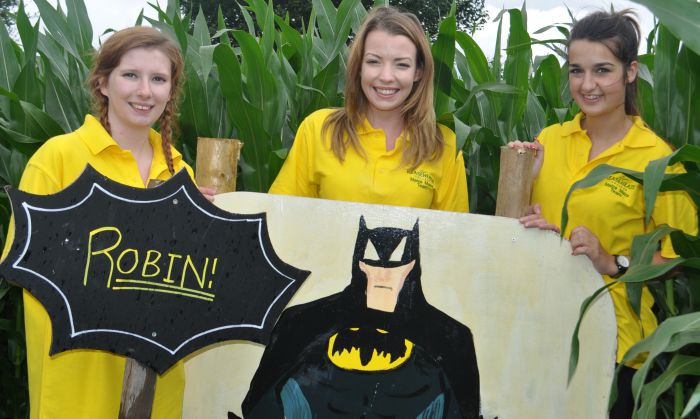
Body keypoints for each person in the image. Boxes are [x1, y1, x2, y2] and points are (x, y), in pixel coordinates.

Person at [3, 26, 213, 418]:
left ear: (171, 90)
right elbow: (25, 261)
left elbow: (188, 278)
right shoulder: (58, 158)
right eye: (130, 75)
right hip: (80, 372)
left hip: (156, 375)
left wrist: (202, 228)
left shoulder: (179, 173)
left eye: (158, 79)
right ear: (103, 82)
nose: (145, 91)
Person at [509, 10, 697, 418]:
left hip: (615, 345)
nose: (587, 85)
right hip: (537, 329)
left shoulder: (659, 161)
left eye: (602, 70)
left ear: (631, 72)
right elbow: (514, 227)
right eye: (577, 71)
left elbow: (681, 258)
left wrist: (610, 260)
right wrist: (521, 185)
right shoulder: (550, 140)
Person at [242, 217, 480, 418]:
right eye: (371, 264)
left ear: (412, 268)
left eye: (395, 266)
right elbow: (256, 406)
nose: (382, 276)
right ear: (358, 264)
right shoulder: (301, 323)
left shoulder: (450, 338)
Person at [269, 6, 468, 213]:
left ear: (418, 72)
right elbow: (280, 216)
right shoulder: (318, 130)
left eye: (401, 65)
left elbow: (453, 237)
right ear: (359, 67)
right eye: (374, 62)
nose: (386, 76)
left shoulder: (445, 146)